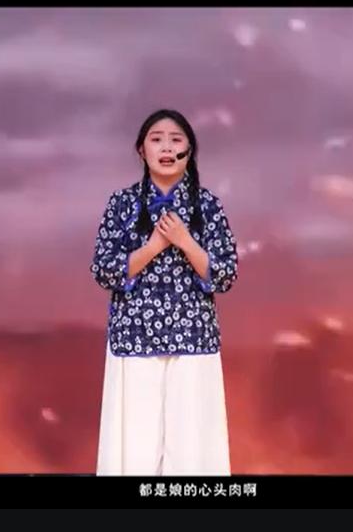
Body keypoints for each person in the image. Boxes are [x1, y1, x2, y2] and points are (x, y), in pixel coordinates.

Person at [91, 109, 238, 476]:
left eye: (176, 140)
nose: (167, 148)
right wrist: (154, 246)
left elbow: (225, 275)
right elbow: (104, 269)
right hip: (134, 339)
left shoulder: (208, 206)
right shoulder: (121, 204)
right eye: (157, 140)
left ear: (190, 150)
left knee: (192, 453)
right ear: (142, 151)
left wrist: (185, 241)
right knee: (135, 449)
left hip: (193, 340)